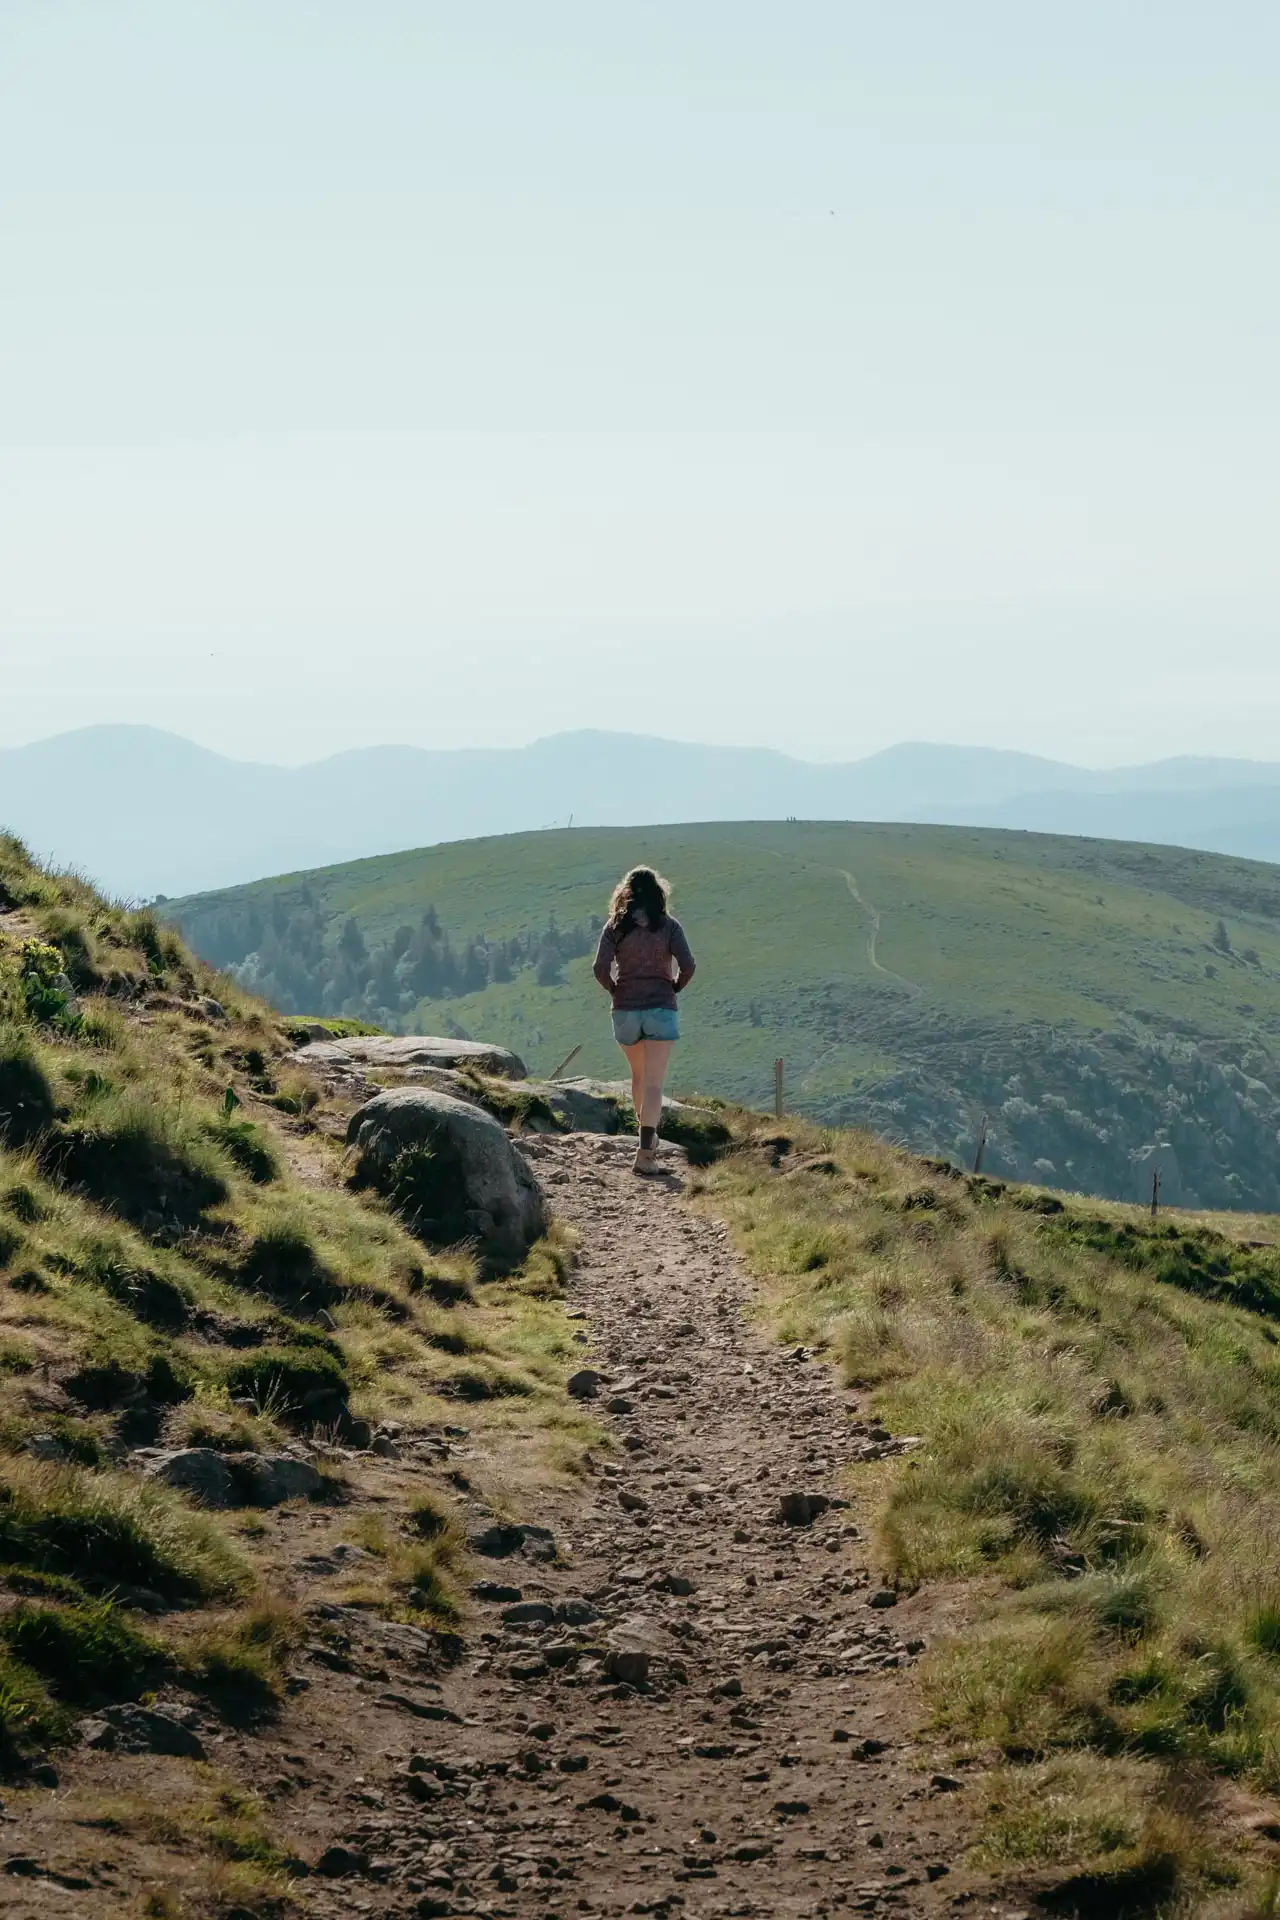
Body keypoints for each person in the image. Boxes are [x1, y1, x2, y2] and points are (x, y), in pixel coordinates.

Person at [592, 866, 695, 1174]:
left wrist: (615, 990)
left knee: (638, 1077)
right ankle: (646, 1153)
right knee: (654, 1084)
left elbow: (599, 968)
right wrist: (674, 986)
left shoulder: (615, 927)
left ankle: (646, 1136)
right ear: (658, 892)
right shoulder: (669, 926)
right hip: (660, 1008)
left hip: (625, 1010)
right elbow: (688, 965)